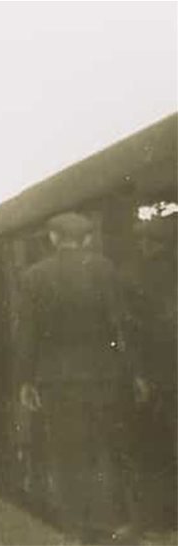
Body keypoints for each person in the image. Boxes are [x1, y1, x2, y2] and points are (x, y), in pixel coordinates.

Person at [16, 212, 147, 543]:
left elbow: (27, 335)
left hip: (56, 380)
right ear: (87, 239)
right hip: (104, 377)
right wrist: (135, 372)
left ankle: (76, 527)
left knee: (65, 453)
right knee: (105, 447)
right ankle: (111, 523)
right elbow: (121, 326)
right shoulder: (104, 269)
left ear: (53, 238)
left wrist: (26, 380)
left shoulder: (34, 276)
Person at [124, 215, 177, 534]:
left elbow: (139, 329)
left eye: (146, 240)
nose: (142, 245)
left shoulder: (145, 276)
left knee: (155, 450)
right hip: (168, 375)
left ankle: (159, 521)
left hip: (160, 377)